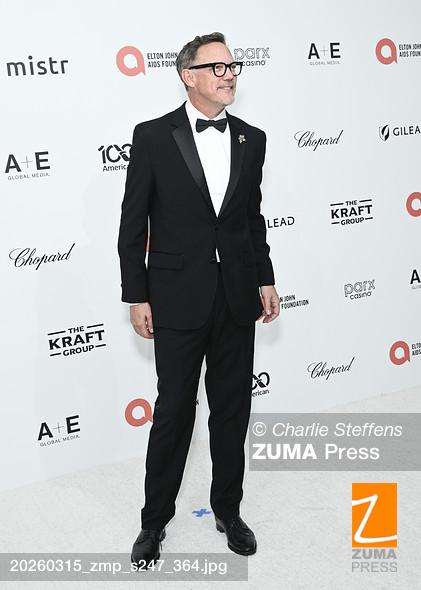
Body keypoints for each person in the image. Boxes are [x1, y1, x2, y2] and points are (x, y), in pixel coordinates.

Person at [117, 31, 280, 567]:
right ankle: (153, 522)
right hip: (175, 297)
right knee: (173, 414)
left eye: (233, 66)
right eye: (218, 67)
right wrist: (136, 294)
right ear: (189, 76)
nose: (229, 74)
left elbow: (251, 219)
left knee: (231, 412)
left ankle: (228, 511)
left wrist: (265, 278)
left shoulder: (251, 138)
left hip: (236, 297)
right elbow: (133, 223)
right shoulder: (152, 136)